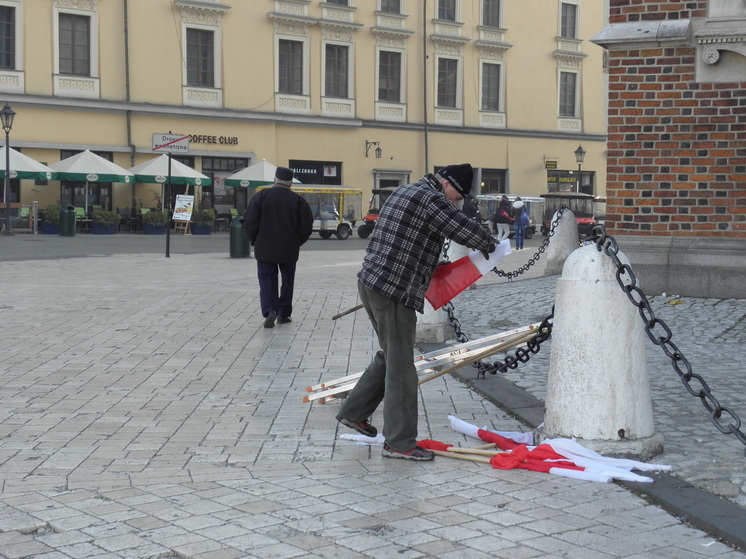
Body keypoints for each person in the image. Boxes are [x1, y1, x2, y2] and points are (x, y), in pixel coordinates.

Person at [335, 163, 497, 461]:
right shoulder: (431, 198)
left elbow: (411, 241)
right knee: (401, 369)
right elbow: (460, 228)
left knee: (391, 354)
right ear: (446, 184)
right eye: (458, 196)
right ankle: (399, 443)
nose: (458, 202)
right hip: (393, 291)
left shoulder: (407, 190)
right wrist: (490, 243)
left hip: (372, 282)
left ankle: (354, 412)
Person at [243, 167, 313, 328]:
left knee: (267, 278)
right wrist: (297, 241)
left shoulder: (261, 196)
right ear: (291, 183)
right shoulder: (298, 201)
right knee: (288, 280)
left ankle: (270, 311)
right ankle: (284, 312)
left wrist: (255, 240)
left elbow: (250, 221)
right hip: (289, 248)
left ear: (275, 179)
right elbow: (306, 226)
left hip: (265, 247)